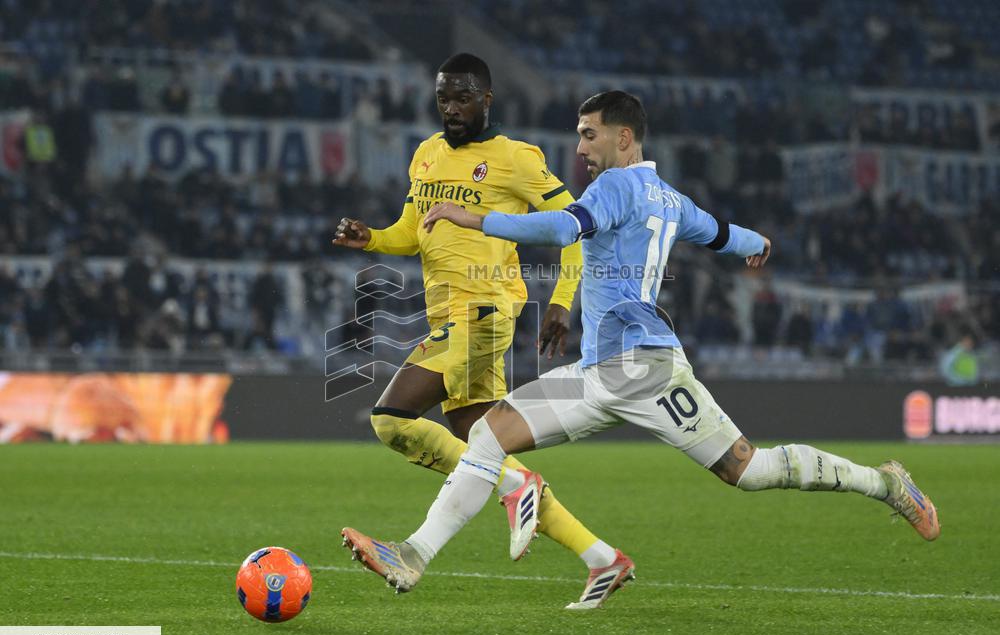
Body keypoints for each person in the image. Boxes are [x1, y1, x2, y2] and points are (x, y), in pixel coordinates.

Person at [342, 91, 940, 608]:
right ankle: (412, 555)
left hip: (648, 371)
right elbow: (724, 235)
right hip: (601, 372)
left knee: (748, 470)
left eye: (589, 134)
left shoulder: (614, 188)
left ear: (623, 138)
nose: (580, 148)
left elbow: (559, 229)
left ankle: (885, 484)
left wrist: (478, 221)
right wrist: (758, 243)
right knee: (490, 433)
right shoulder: (670, 199)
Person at [333, 54, 629, 607]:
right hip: (449, 317)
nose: (451, 108)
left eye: (463, 97)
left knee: (391, 420)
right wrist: (371, 238)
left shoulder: (515, 159)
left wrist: (563, 302)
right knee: (483, 444)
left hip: (484, 311)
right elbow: (411, 231)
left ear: (487, 100)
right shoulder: (425, 155)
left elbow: (578, 231)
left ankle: (514, 489)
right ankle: (601, 557)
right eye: (444, 97)